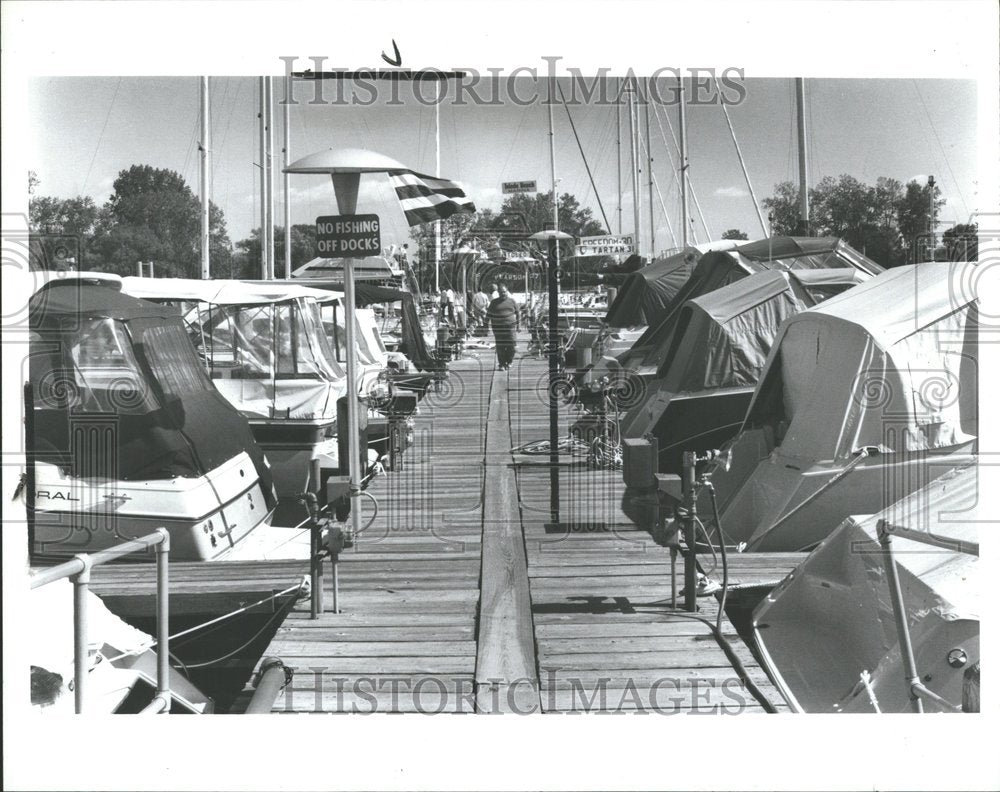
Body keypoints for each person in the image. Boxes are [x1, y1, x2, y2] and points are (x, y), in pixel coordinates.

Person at [486, 284, 520, 370]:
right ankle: (501, 364)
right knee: (500, 346)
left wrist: (518, 325)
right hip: (498, 328)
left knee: (511, 346)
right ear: (498, 293)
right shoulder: (494, 302)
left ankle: (509, 362)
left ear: (507, 292)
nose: (503, 294)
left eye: (504, 292)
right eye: (501, 292)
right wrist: (486, 326)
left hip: (510, 327)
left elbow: (518, 313)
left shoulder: (512, 301)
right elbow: (488, 314)